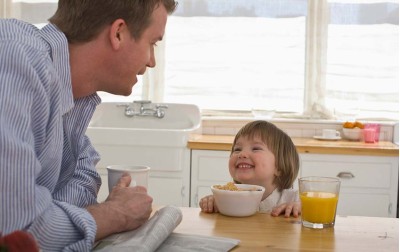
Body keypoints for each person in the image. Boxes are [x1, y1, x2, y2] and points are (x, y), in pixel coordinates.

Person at [0, 0, 177, 251]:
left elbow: (85, 179)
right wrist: (115, 214)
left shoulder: (74, 97)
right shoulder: (16, 57)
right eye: (152, 43)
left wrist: (53, 215)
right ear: (118, 33)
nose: (152, 62)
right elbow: (16, 230)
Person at [199, 120, 301, 217]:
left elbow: (314, 210)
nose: (242, 154)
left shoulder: (294, 198)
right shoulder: (227, 197)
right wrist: (212, 203)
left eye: (256, 148)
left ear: (279, 167)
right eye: (237, 149)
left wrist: (301, 208)